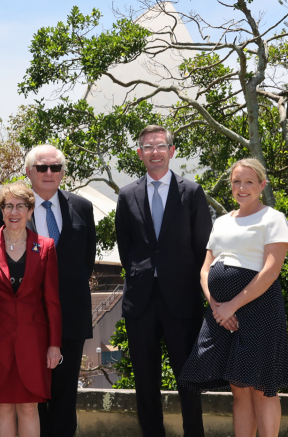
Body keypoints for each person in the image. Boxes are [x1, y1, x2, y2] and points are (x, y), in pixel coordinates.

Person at [179, 158, 288, 437]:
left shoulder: (273, 218)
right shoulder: (220, 222)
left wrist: (232, 306)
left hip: (260, 309)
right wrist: (217, 307)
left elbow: (269, 271)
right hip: (221, 314)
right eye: (236, 182)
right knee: (239, 387)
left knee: (262, 388)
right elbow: (205, 269)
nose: (242, 188)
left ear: (262, 185)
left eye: (249, 182)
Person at [0, 144, 96, 437]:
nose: (49, 173)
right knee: (29, 397)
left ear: (63, 172)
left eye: (55, 167)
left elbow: (86, 262)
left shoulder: (83, 207)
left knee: (64, 396)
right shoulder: (10, 208)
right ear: (28, 171)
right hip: (26, 321)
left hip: (70, 319)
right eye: (41, 167)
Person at [115, 125, 212, 437]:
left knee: (189, 378)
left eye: (160, 146)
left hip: (181, 299)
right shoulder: (127, 194)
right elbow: (125, 248)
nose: (154, 152)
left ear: (172, 151)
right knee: (145, 379)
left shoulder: (192, 192)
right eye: (148, 147)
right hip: (141, 301)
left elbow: (203, 247)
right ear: (139, 153)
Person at [0, 182, 62, 437]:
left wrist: (54, 344)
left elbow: (52, 300)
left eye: (20, 206)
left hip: (33, 342)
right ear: (1, 211)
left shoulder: (45, 247)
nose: (14, 212)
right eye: (8, 206)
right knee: (2, 407)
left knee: (28, 408)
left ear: (30, 211)